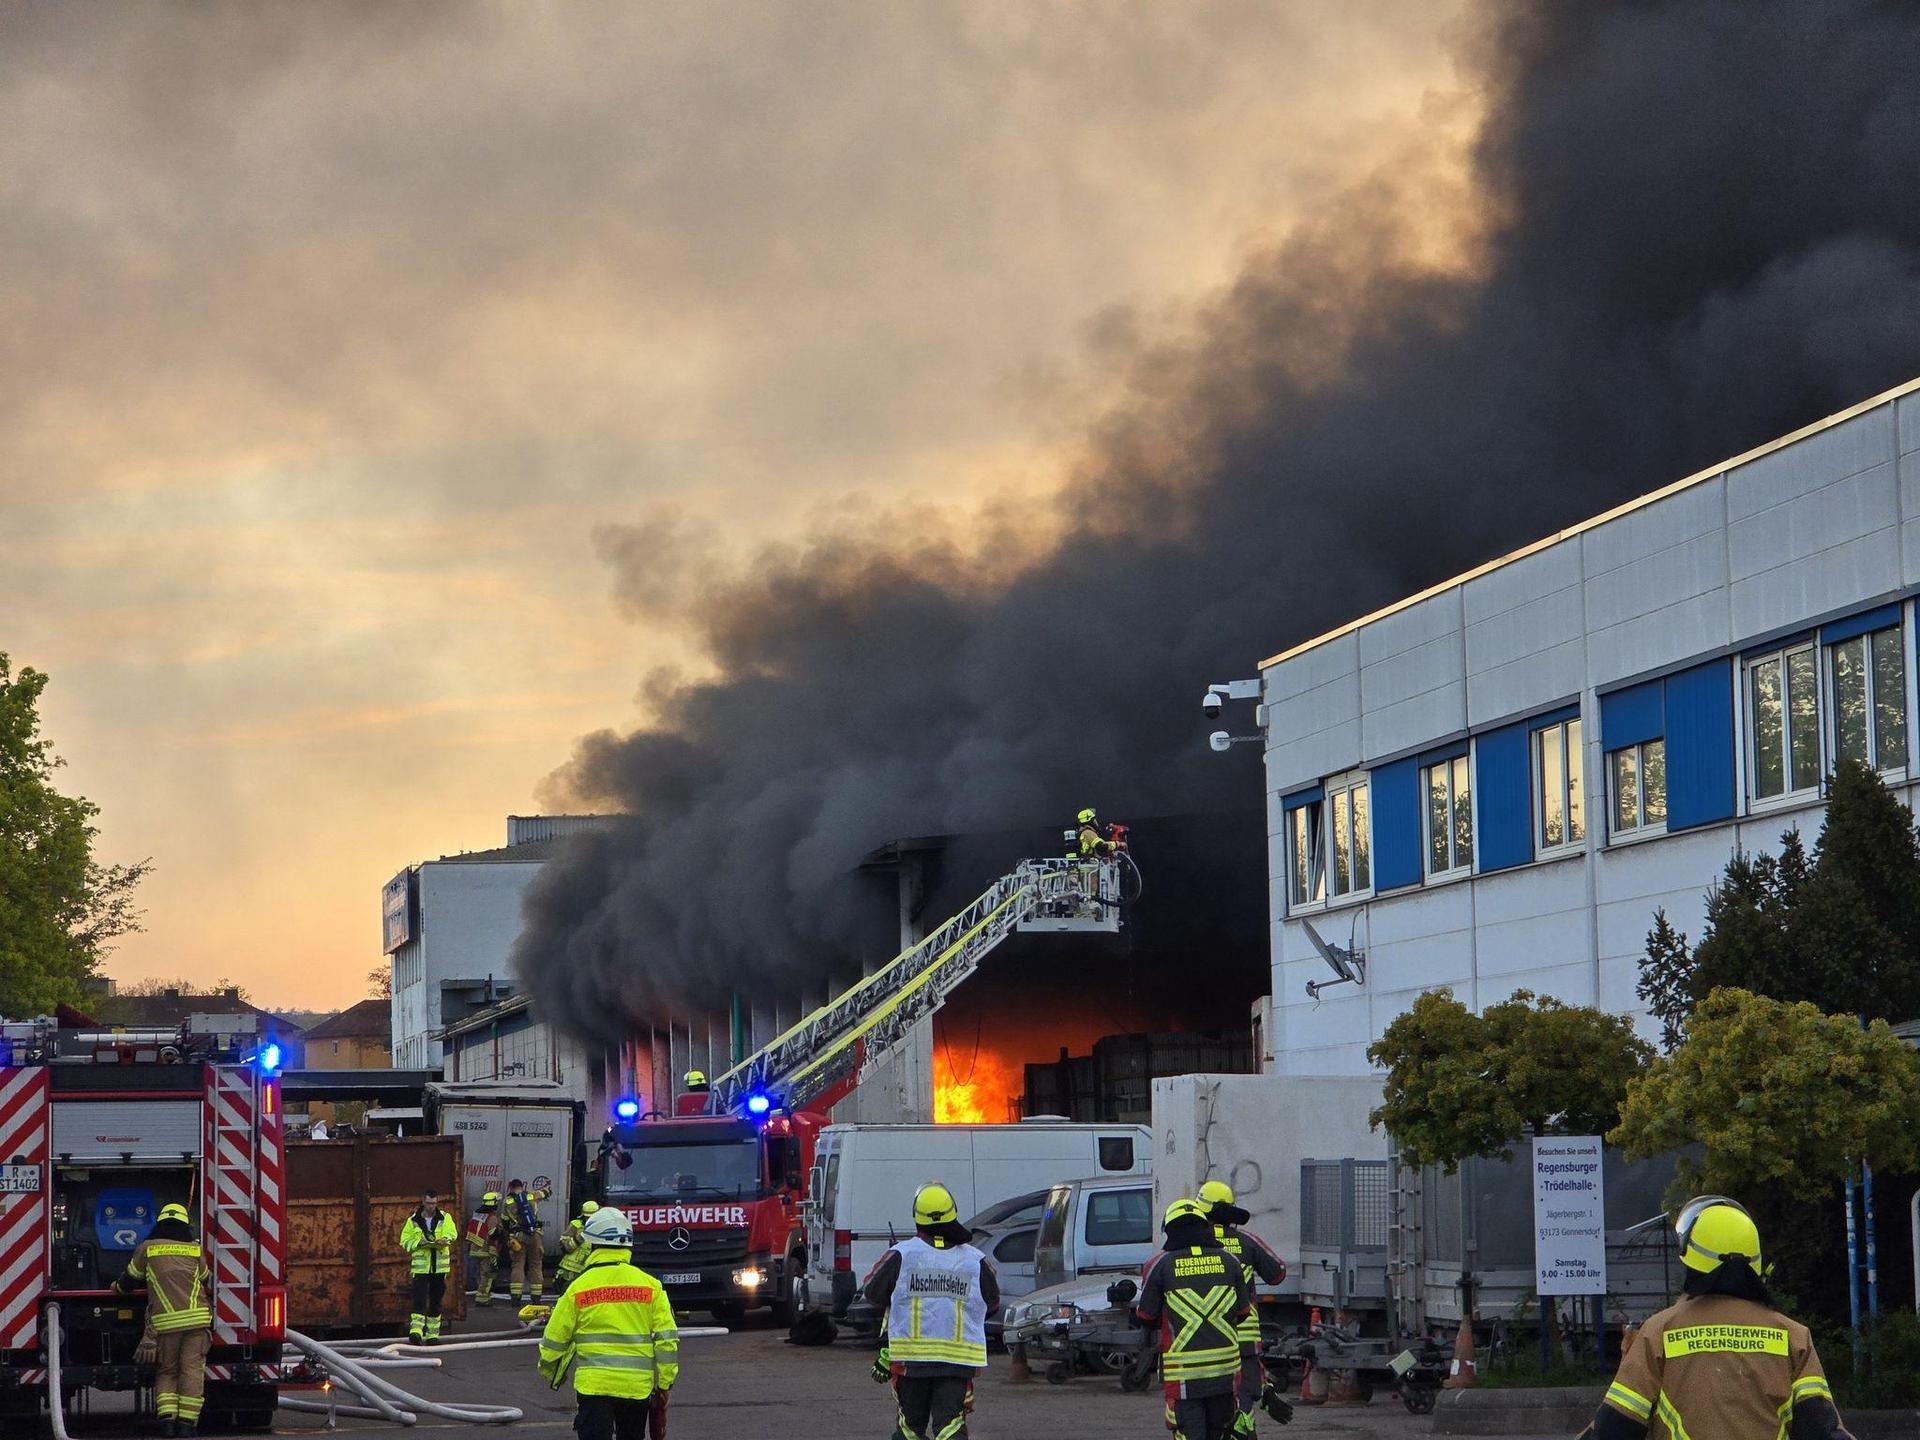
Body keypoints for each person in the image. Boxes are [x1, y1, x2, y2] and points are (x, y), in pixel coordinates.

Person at [1579, 1196, 1853, 1440]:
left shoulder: (1658, 1332)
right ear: (1756, 1263)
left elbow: (1614, 1428)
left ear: (1690, 1259)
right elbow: (1821, 1429)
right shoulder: (1793, 1336)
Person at [861, 1182, 999, 1440]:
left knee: (909, 1430)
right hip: (957, 1362)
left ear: (917, 1219)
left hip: (910, 1361)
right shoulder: (975, 1260)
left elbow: (872, 1294)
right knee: (950, 1427)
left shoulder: (901, 1255)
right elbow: (991, 1304)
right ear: (953, 1212)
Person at [537, 1207, 678, 1440]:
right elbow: (667, 1341)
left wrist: (550, 1370)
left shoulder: (578, 1287)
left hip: (594, 1386)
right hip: (636, 1388)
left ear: (593, 1244)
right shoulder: (650, 1287)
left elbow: (554, 1338)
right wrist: (665, 1384)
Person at [1136, 1197, 1254, 1440]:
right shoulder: (1230, 1261)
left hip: (1184, 1377)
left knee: (1190, 1434)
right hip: (1225, 1372)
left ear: (1170, 1229)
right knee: (1221, 1433)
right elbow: (1243, 1312)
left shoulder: (1159, 1264)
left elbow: (1146, 1316)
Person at [1199, 1179, 1289, 1438]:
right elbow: (1278, 1274)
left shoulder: (1190, 1245)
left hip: (1204, 1337)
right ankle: (1242, 1428)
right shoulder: (1247, 1241)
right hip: (1244, 1335)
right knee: (1245, 1390)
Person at [114, 1201, 211, 1437]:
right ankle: (187, 1425)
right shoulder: (195, 1249)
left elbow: (130, 1280)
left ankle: (167, 1421)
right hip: (197, 1321)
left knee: (168, 1371)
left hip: (167, 1324)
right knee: (192, 1371)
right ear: (185, 1226)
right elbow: (206, 1279)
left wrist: (116, 1287)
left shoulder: (148, 1248)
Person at [401, 1189, 459, 1344]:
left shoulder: (445, 1218)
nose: (431, 1206)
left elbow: (452, 1234)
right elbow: (404, 1241)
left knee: (435, 1301)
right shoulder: (413, 1220)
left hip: (439, 1269)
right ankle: (416, 1332)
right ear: (423, 1201)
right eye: (428, 1203)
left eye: (434, 1203)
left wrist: (445, 1239)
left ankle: (432, 1335)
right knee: (419, 1300)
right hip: (421, 1269)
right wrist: (418, 1242)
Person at [504, 1177, 552, 1302]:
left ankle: (516, 1297)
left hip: (518, 1236)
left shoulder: (508, 1201)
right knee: (536, 1264)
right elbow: (547, 1192)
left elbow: (504, 1221)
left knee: (518, 1264)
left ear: (511, 1187)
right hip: (535, 1235)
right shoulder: (531, 1196)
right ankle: (536, 1296)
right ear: (522, 1187)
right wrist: (547, 1189)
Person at [556, 1201, 602, 1296]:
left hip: (592, 1268)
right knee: (569, 1293)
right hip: (572, 1269)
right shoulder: (576, 1226)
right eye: (588, 1217)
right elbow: (565, 1247)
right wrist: (580, 1237)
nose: (590, 1220)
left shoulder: (602, 1228)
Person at [469, 1192, 504, 1306]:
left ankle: (482, 1294)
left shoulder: (477, 1215)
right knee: (488, 1274)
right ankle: (482, 1298)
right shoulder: (492, 1217)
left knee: (480, 1273)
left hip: (475, 1249)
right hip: (486, 1250)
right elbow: (493, 1234)